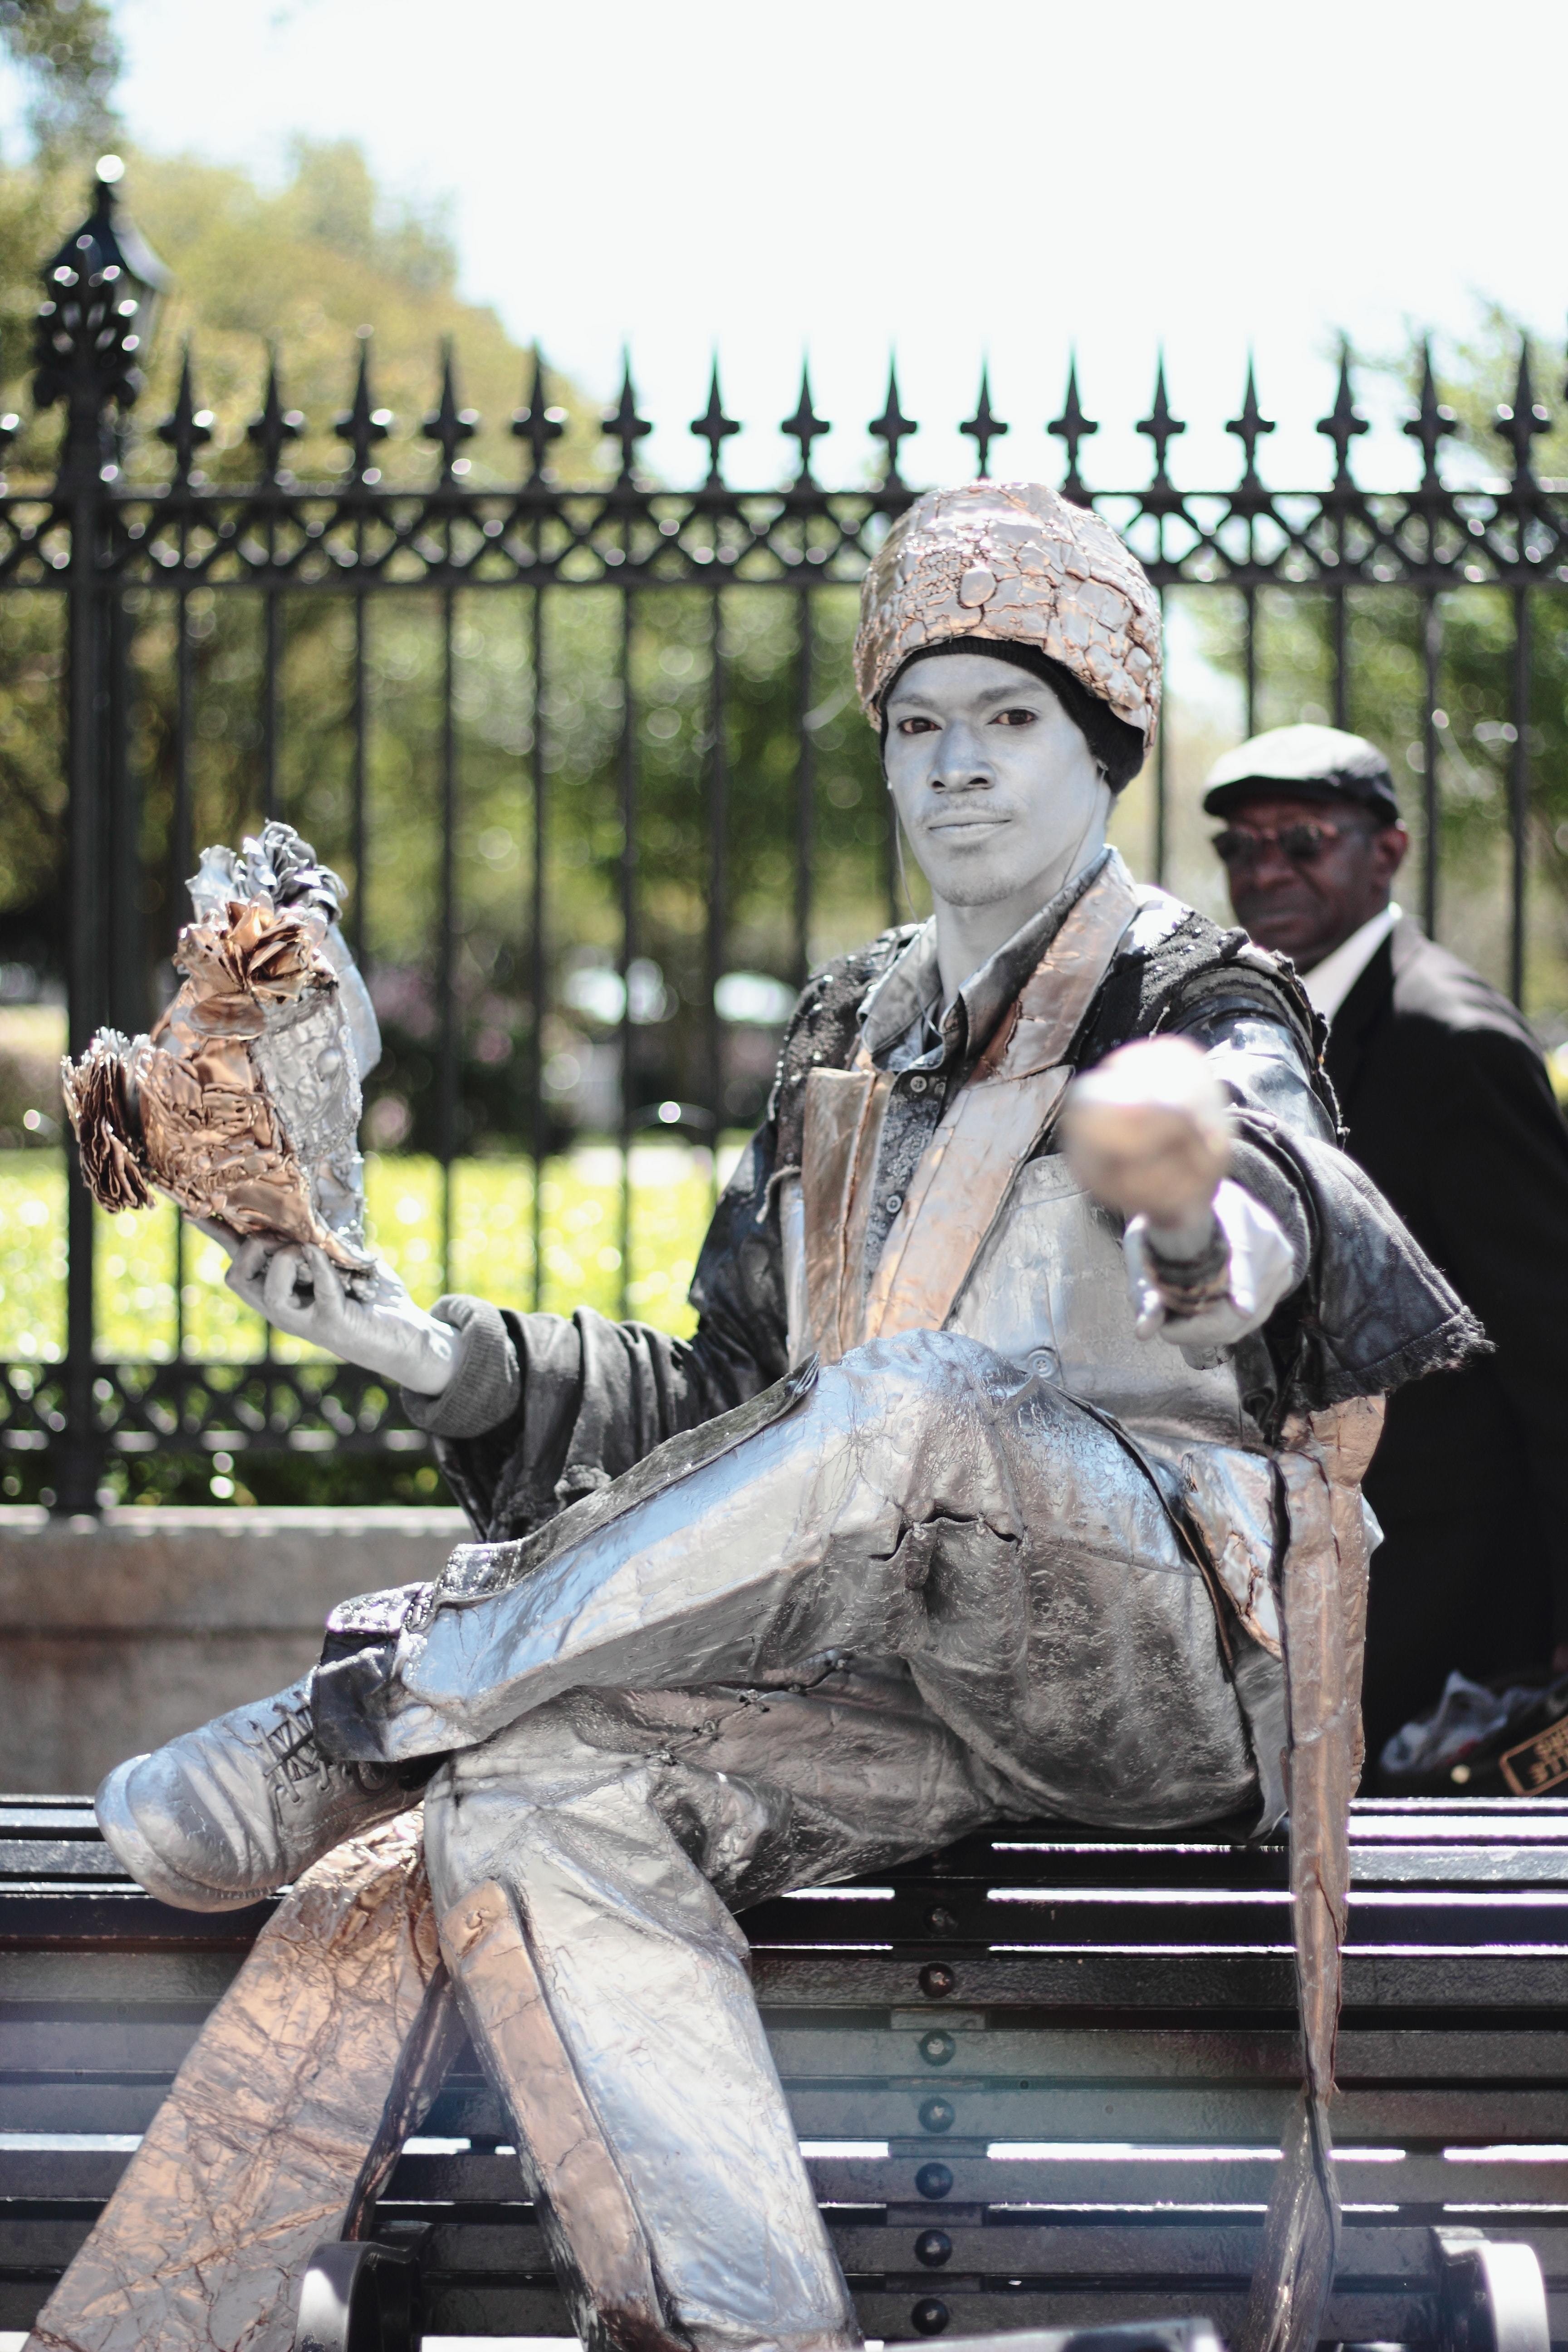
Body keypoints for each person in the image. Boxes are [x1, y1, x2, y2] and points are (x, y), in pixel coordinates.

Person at [94, 491, 1476, 2352]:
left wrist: (1203, 1216)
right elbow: (734, 1411)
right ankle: (740, 2327)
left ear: (1107, 753)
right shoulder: (852, 1022)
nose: (957, 770)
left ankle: (386, 1710)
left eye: (1010, 721)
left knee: (907, 1409)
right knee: (534, 1799)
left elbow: (1270, 1182)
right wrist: (433, 1356)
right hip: (892, 1688)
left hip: (1157, 1664)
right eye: (922, 725)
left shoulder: (1193, 994)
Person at [1205, 723, 1568, 1763]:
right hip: (1314, 1578)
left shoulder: (1450, 1042)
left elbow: (1554, 1347)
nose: (1267, 866)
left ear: (1389, 852)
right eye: (1242, 845)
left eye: (1305, 837)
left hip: (1453, 1602)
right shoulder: (1268, 1030)